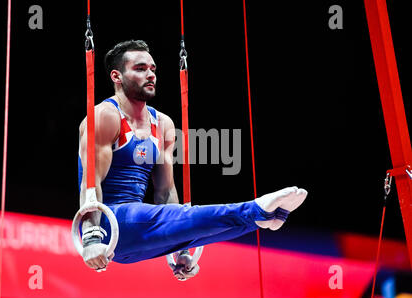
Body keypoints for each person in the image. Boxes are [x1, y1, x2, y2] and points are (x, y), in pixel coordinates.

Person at [78, 40, 308, 280]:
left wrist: (182, 249)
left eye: (153, 69)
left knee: (200, 225)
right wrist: (91, 235)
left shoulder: (163, 123)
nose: (150, 75)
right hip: (110, 224)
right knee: (188, 217)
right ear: (117, 76)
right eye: (140, 68)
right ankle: (256, 209)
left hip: (138, 236)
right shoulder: (105, 115)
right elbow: (90, 183)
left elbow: (166, 192)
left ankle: (263, 219)